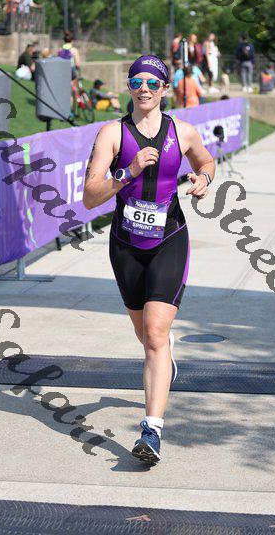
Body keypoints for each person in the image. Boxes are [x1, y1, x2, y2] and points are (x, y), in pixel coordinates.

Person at [83, 54, 215, 465]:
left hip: (169, 239)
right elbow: (89, 197)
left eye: (152, 83)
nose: (144, 88)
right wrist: (127, 172)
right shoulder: (112, 133)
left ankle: (151, 430)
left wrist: (203, 178)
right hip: (125, 244)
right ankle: (163, 357)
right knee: (146, 336)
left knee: (155, 334)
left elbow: (206, 160)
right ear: (129, 87)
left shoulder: (183, 131)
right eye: (137, 81)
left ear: (164, 89)